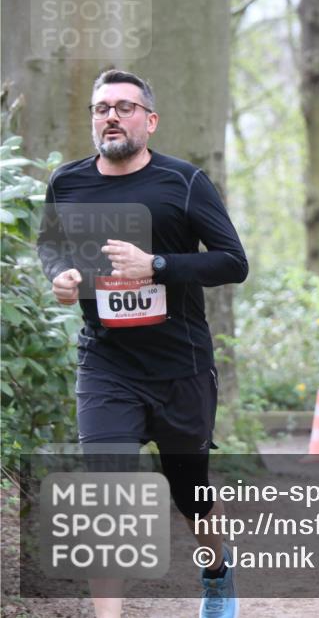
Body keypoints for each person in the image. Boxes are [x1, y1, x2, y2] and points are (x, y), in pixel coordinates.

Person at [37, 69, 248, 618]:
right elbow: (51, 246)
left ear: (149, 121)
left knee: (190, 493)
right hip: (106, 362)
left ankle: (217, 573)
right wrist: (59, 276)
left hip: (182, 367)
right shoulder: (66, 182)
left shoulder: (184, 182)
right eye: (101, 107)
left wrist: (156, 265)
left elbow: (233, 262)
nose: (111, 115)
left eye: (125, 107)